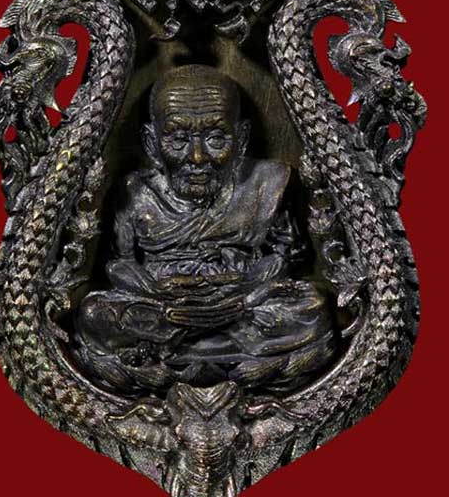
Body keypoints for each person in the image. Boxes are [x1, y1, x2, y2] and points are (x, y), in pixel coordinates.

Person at [76, 64, 336, 392]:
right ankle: (217, 349)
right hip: (164, 306)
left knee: (312, 307)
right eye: (179, 139)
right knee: (95, 313)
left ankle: (177, 351)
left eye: (215, 138)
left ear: (241, 139)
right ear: (152, 143)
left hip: (242, 302)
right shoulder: (136, 192)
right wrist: (157, 293)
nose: (198, 157)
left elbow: (285, 255)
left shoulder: (266, 184)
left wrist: (246, 291)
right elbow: (118, 263)